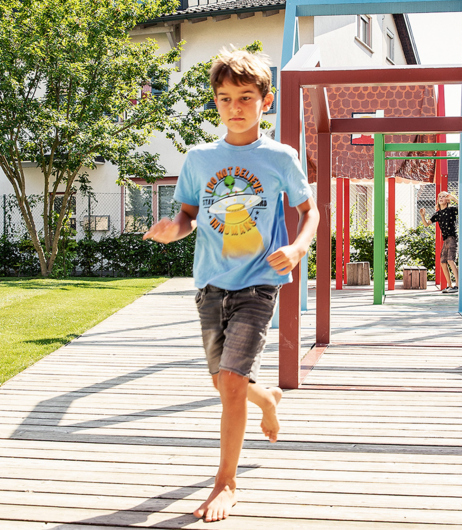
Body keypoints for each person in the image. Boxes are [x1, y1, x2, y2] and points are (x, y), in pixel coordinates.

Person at [142, 48, 319, 522]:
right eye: (224, 98)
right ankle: (269, 400)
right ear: (215, 103)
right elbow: (188, 217)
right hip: (209, 286)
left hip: (259, 284)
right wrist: (170, 229)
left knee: (232, 382)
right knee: (226, 384)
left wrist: (299, 248)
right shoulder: (199, 159)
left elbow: (310, 213)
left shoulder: (280, 157)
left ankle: (226, 482)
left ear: (266, 101)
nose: (235, 107)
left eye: (245, 97)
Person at [419, 191, 460, 293]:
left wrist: (454, 198)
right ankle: (449, 285)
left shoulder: (451, 210)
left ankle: (458, 285)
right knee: (442, 262)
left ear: (447, 199)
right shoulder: (438, 214)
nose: (441, 198)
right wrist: (423, 216)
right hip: (446, 239)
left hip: (452, 237)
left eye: (443, 196)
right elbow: (426, 224)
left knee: (450, 260)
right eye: (439, 197)